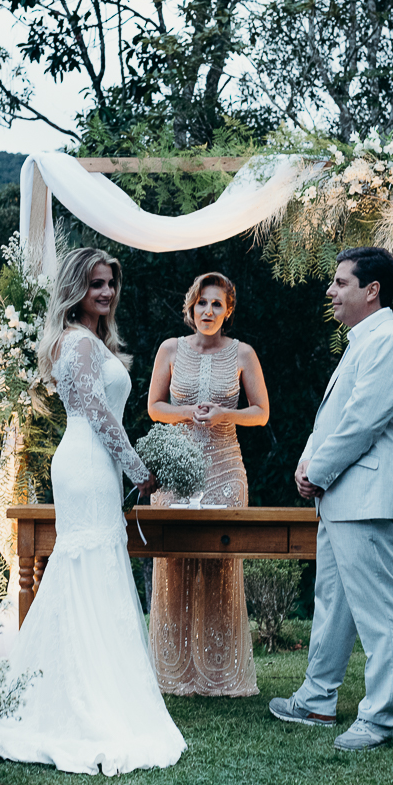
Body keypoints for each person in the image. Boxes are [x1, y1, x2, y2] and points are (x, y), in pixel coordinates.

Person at [0, 247, 185, 775]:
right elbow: (98, 416)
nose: (106, 292)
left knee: (97, 569)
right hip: (88, 465)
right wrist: (139, 469)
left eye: (111, 284)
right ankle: (76, 701)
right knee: (86, 566)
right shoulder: (75, 344)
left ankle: (95, 682)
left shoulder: (95, 342)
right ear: (77, 288)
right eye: (96, 284)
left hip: (97, 464)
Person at [269, 246, 393, 752]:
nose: (330, 292)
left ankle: (380, 718)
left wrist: (319, 470)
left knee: (380, 611)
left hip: (366, 496)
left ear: (371, 290)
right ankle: (317, 699)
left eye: (340, 283)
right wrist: (306, 462)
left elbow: (363, 422)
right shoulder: (362, 342)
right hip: (339, 494)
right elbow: (334, 417)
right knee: (332, 603)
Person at [146, 272, 269, 696]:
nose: (208, 311)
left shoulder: (243, 353)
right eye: (202, 303)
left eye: (217, 304)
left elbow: (261, 413)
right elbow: (154, 407)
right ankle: (173, 673)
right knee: (174, 560)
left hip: (225, 466)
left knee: (220, 563)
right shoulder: (170, 349)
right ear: (191, 308)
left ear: (228, 310)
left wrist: (222, 415)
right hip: (179, 466)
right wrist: (185, 414)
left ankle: (219, 675)